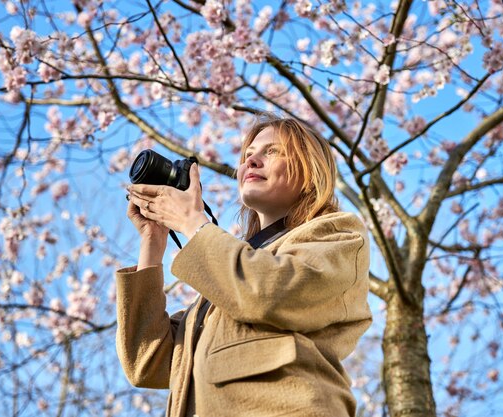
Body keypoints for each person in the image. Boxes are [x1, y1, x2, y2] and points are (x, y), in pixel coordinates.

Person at [117, 116, 372, 417]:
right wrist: (153, 240)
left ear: (310, 170)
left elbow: (270, 293)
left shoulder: (339, 234)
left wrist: (191, 221)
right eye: (248, 153)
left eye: (272, 151)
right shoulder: (221, 289)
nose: (252, 160)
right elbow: (147, 363)